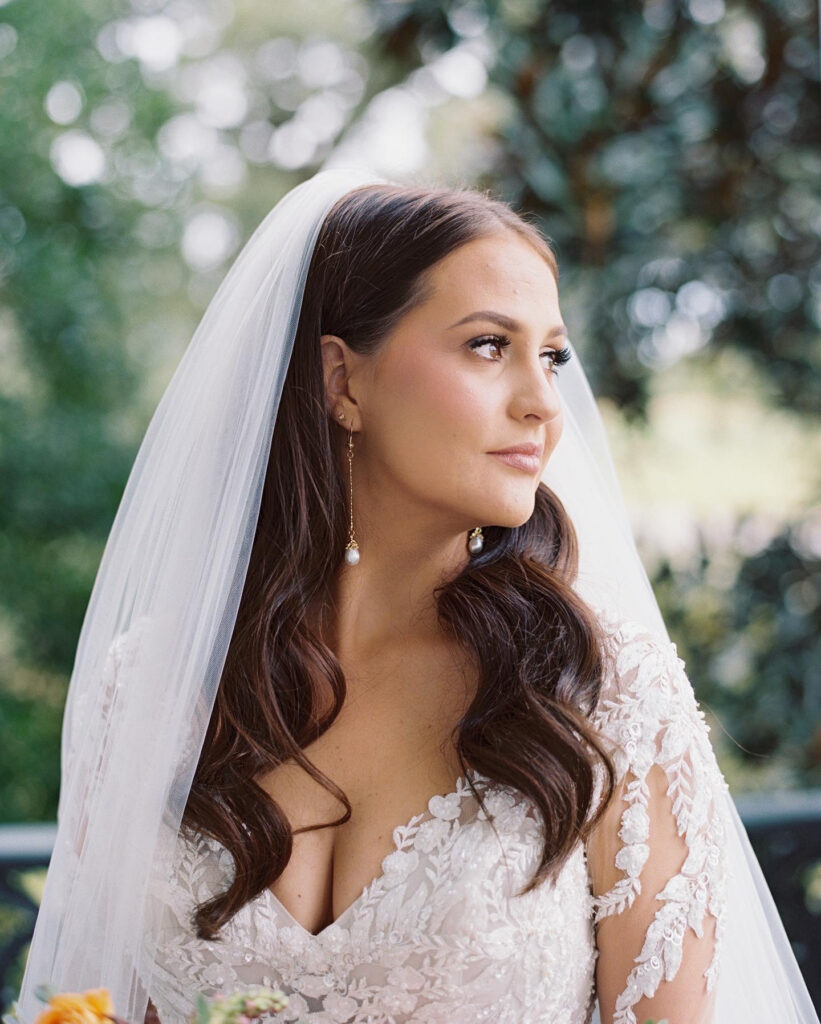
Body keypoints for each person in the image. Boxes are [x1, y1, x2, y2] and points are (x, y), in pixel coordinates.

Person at [10, 168, 818, 1024]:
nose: (542, 403)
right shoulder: (150, 687)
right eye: (486, 345)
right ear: (340, 380)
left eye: (551, 356)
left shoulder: (603, 689)